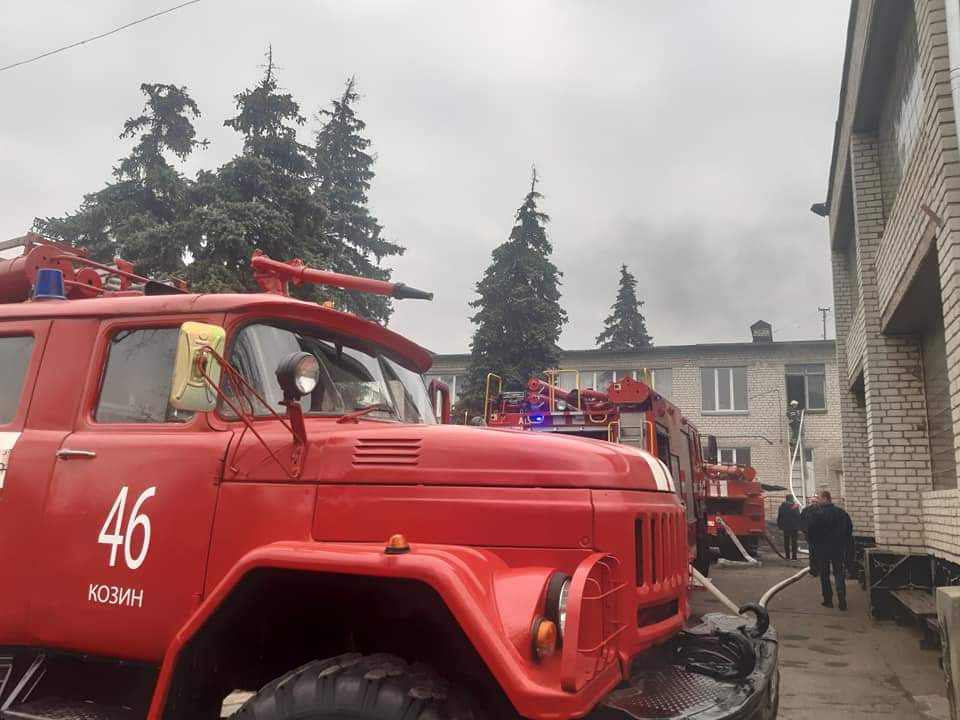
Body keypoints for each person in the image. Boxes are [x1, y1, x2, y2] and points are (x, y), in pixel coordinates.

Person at [806, 490, 853, 610]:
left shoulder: (817, 514)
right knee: (838, 572)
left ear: (826, 499)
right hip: (838, 548)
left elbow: (811, 530)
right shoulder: (842, 513)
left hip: (822, 548)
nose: (818, 501)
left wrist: (814, 545)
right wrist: (843, 542)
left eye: (820, 499)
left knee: (824, 574)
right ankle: (842, 600)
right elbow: (849, 530)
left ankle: (828, 600)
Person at [777, 494, 801, 560]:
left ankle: (787, 556)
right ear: (792, 499)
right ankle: (794, 557)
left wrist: (780, 526)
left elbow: (779, 517)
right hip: (794, 527)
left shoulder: (781, 506)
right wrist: (799, 526)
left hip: (786, 527)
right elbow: (798, 517)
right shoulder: (795, 507)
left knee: (786, 542)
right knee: (794, 542)